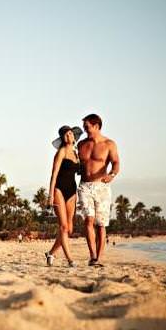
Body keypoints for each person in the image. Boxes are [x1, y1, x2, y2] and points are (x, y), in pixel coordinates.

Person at [77, 114, 120, 267]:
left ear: (96, 126)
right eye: (84, 127)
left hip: (102, 187)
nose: (85, 130)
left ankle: (99, 258)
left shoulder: (109, 144)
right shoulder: (81, 144)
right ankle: (92, 256)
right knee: (88, 220)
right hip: (84, 186)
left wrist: (112, 175)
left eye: (87, 127)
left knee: (101, 224)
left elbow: (116, 163)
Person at [45, 125, 83, 267]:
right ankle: (70, 260)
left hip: (72, 191)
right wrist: (50, 195)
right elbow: (54, 174)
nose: (69, 137)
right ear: (62, 138)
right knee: (63, 227)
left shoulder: (76, 154)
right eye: (66, 135)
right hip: (59, 189)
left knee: (70, 229)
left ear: (74, 136)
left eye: (71, 134)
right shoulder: (61, 152)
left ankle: (51, 253)